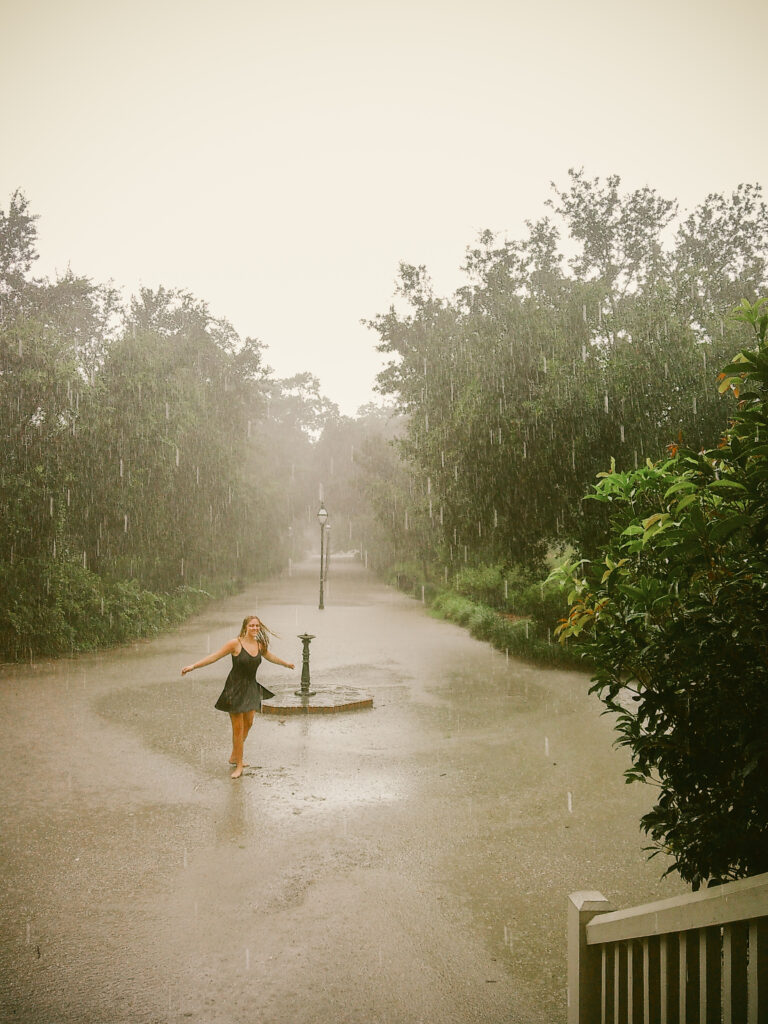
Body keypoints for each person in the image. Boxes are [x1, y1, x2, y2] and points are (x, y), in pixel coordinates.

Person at [181, 615, 294, 778]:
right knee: (238, 729)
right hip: (234, 689)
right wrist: (193, 666)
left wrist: (286, 664)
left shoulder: (260, 645)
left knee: (249, 723)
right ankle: (239, 765)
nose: (255, 629)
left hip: (251, 687)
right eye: (252, 626)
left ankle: (235, 754)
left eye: (257, 626)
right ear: (245, 627)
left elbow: (270, 656)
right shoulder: (235, 644)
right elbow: (215, 656)